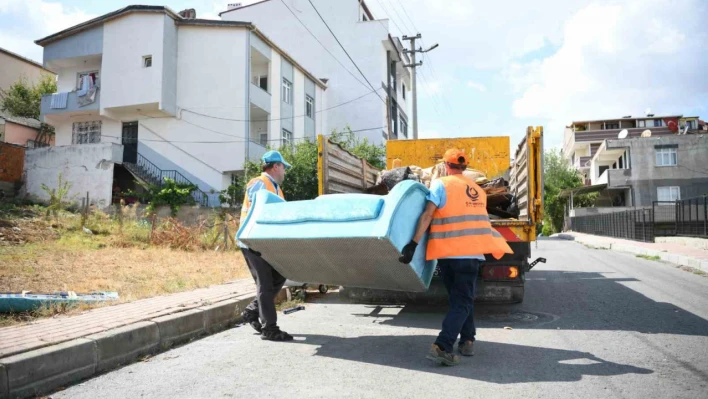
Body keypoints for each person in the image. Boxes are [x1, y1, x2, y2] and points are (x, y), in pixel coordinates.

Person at [399, 149, 513, 366]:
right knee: (463, 300)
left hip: (447, 254)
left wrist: (413, 244)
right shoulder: (478, 191)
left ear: (445, 165)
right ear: (465, 167)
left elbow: (427, 215)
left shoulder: (441, 184)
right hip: (470, 255)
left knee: (460, 300)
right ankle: (443, 345)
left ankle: (467, 340)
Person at [238, 150, 294, 342]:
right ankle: (270, 328)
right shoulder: (258, 183)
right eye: (284, 167)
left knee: (279, 275)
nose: (285, 172)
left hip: (266, 243)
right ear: (276, 166)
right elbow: (257, 211)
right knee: (265, 282)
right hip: (252, 240)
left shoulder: (277, 189)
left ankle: (252, 311)